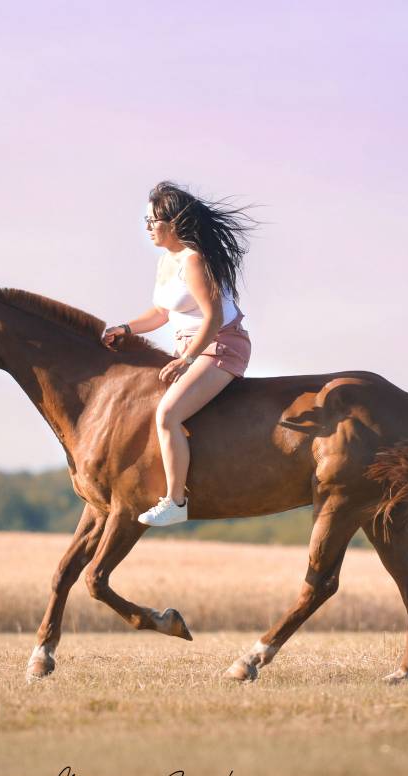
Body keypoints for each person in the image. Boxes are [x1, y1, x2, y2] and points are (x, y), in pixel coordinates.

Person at [101, 180, 258, 527]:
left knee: (167, 414)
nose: (147, 227)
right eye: (145, 220)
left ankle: (175, 501)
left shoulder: (195, 261)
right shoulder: (166, 263)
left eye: (153, 221)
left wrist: (187, 360)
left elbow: (214, 317)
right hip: (190, 346)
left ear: (173, 224)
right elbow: (160, 313)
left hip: (221, 344)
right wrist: (125, 328)